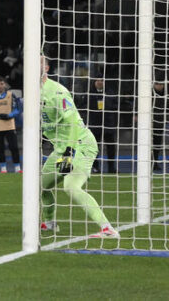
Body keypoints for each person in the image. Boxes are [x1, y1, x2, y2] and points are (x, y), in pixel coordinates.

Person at [40, 57, 119, 238]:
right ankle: (50, 224)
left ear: (47, 67)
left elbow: (72, 123)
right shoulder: (33, 92)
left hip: (80, 144)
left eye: (40, 62)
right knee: (41, 186)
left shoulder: (57, 92)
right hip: (61, 148)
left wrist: (69, 152)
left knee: (71, 187)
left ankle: (107, 228)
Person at [0, 76, 21, 173]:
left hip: (9, 125)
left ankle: (17, 168)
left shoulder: (11, 95)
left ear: (5, 85)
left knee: (14, 147)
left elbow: (17, 109)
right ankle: (3, 168)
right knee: (0, 148)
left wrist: (9, 115)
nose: (0, 86)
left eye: (1, 84)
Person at [87, 78, 117, 173]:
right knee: (94, 147)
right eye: (98, 80)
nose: (100, 82)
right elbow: (84, 105)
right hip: (95, 124)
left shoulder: (110, 92)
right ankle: (95, 167)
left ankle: (111, 168)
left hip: (108, 123)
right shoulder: (89, 93)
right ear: (94, 82)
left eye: (102, 80)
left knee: (111, 147)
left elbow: (116, 105)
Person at [152, 81, 167, 172]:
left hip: (160, 122)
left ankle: (155, 162)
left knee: (157, 144)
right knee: (147, 143)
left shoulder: (166, 94)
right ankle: (148, 162)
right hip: (149, 122)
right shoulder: (148, 92)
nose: (159, 86)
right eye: (157, 84)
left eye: (161, 84)